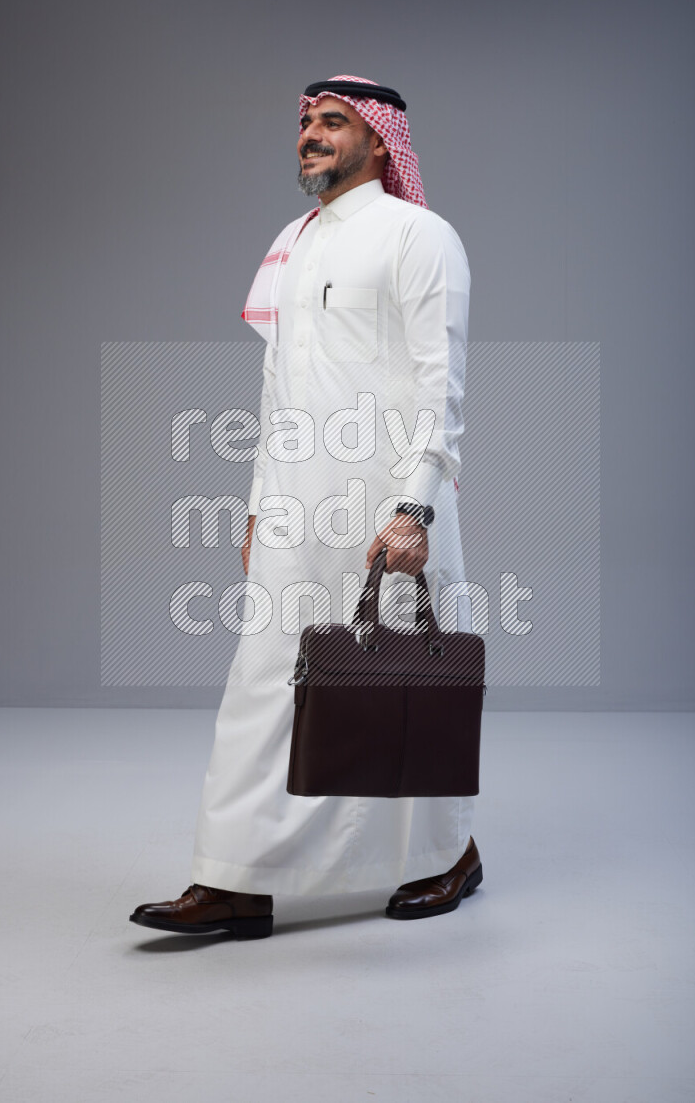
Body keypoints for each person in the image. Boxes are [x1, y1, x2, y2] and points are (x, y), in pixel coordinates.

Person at [130, 74, 482, 940]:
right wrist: (257, 504)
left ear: (378, 138)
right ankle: (236, 880)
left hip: (385, 502)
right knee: (265, 682)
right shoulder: (291, 241)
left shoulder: (420, 236)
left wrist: (416, 508)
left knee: (394, 683)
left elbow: (443, 382)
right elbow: (276, 389)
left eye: (332, 122)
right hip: (295, 498)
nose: (311, 136)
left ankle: (447, 854)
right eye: (305, 124)